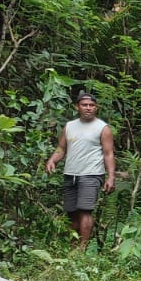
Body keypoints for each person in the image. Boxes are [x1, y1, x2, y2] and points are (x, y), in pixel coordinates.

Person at [45, 92, 117, 250]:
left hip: (91, 174)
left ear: (96, 107)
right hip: (71, 174)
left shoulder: (102, 128)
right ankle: (73, 246)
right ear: (77, 107)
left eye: (92, 105)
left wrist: (110, 177)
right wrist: (52, 160)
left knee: (85, 211)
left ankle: (82, 248)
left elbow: (108, 153)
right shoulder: (69, 126)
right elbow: (61, 148)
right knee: (71, 212)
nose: (88, 108)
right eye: (84, 105)